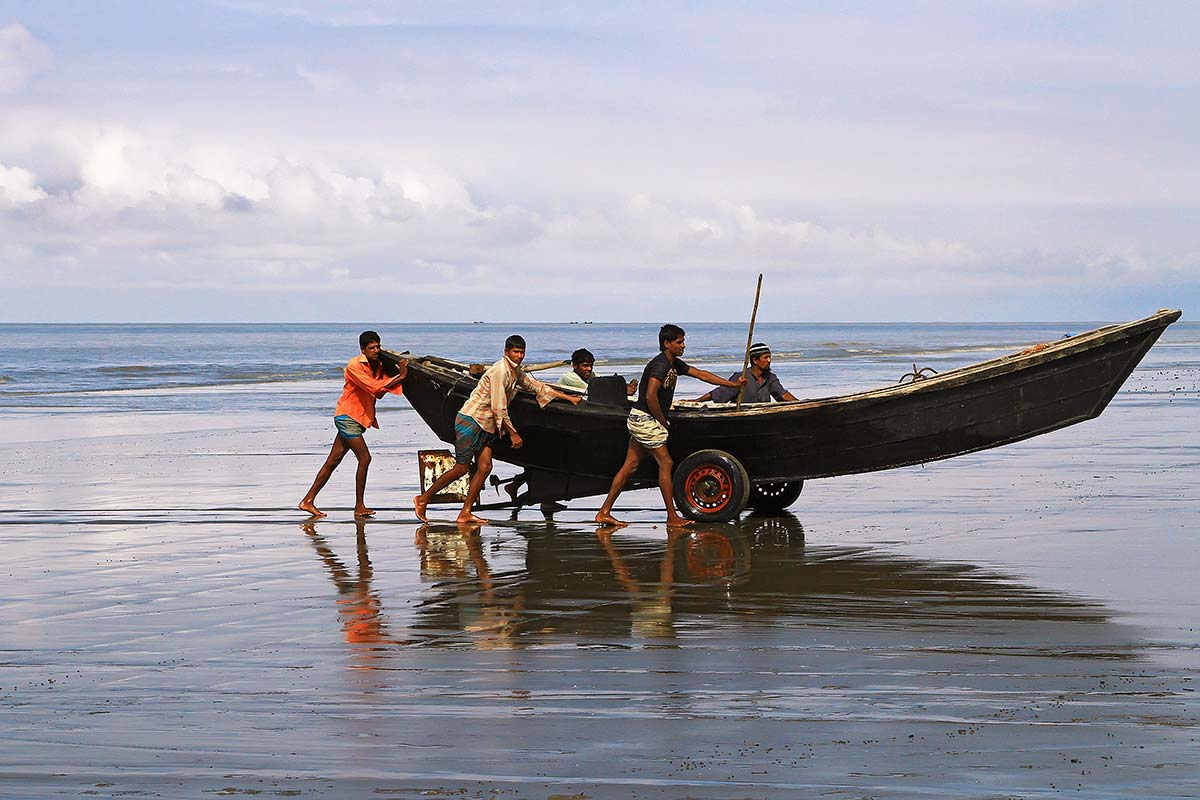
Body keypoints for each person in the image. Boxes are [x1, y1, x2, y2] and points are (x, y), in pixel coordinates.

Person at [414, 335, 583, 525]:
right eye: (515, 352)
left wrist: (568, 398)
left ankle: (465, 512)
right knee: (462, 467)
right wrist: (513, 433)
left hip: (487, 425)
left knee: (485, 467)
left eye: (522, 352)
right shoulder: (500, 372)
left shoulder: (515, 372)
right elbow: (499, 408)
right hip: (471, 421)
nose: (519, 356)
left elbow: (535, 386)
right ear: (506, 352)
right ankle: (423, 499)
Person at [594, 324, 747, 528]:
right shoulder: (661, 365)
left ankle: (603, 512)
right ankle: (672, 516)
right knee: (665, 462)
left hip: (643, 418)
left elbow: (701, 374)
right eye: (679, 342)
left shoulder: (674, 363)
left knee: (630, 466)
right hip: (645, 419)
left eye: (683, 342)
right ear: (667, 343)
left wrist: (733, 384)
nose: (683, 346)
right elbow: (649, 396)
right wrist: (662, 421)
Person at [299, 331, 407, 519]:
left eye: (378, 346)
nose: (376, 350)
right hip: (347, 417)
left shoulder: (377, 366)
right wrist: (401, 376)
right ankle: (359, 506)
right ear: (362, 349)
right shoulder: (354, 366)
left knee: (332, 462)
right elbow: (374, 387)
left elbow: (378, 392)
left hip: (358, 420)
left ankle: (307, 500)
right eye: (371, 348)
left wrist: (396, 376)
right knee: (365, 459)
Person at [695, 342, 798, 403]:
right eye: (766, 357)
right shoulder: (741, 377)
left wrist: (803, 405)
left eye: (770, 357)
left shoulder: (770, 377)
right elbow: (717, 394)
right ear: (755, 360)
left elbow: (783, 395)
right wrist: (696, 402)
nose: (769, 360)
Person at [557, 348, 637, 396]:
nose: (589, 369)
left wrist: (623, 385)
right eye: (585, 366)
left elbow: (603, 382)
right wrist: (622, 391)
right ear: (575, 366)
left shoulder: (591, 374)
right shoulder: (569, 377)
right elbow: (590, 390)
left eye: (591, 366)